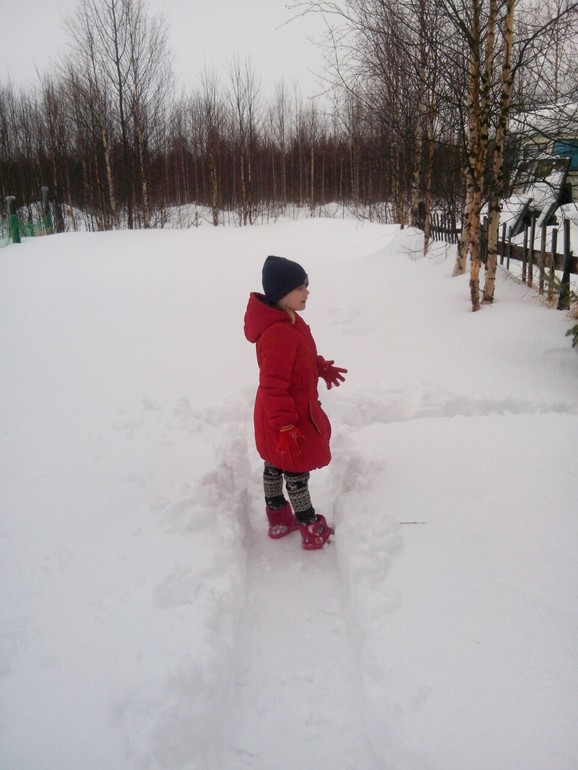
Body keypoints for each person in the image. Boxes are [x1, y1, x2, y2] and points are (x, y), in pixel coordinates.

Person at [244, 255, 347, 550]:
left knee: (275, 463)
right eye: (300, 287)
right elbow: (273, 385)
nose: (307, 292)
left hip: (276, 413)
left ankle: (278, 520)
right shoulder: (279, 332)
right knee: (296, 470)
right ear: (282, 293)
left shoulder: (288, 321)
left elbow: (296, 359)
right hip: (286, 413)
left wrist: (318, 366)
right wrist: (286, 426)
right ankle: (309, 526)